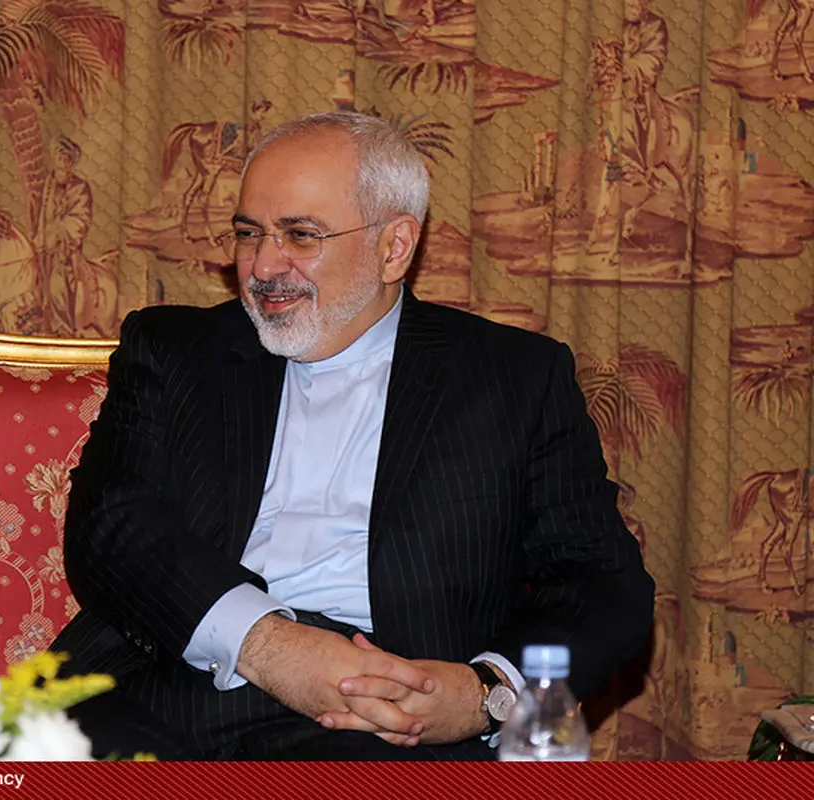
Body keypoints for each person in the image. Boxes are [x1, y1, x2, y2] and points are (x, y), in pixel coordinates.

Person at [51, 111, 655, 760]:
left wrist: (487, 692)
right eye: (249, 233)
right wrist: (266, 644)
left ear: (394, 247)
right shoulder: (175, 350)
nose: (263, 265)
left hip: (391, 709)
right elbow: (111, 527)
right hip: (169, 676)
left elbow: (603, 584)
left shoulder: (513, 377)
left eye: (300, 235)